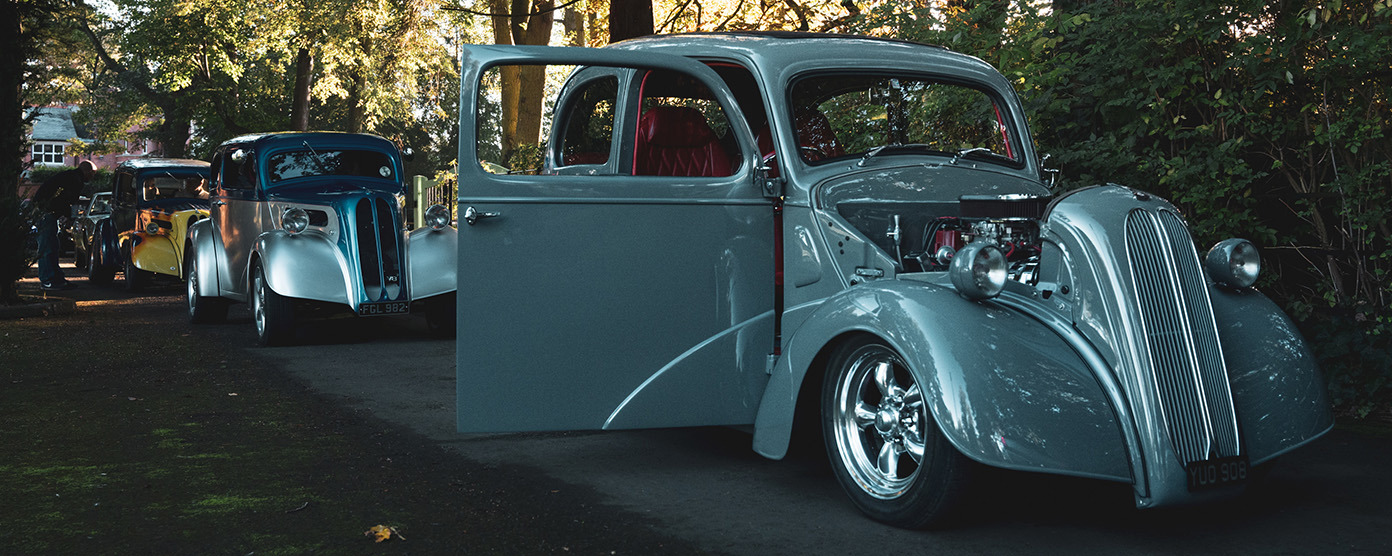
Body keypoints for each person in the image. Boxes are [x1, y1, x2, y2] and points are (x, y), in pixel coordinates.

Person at [31, 160, 96, 290]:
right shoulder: (75, 180)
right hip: (46, 212)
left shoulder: (69, 176)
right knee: (47, 247)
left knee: (52, 246)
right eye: (93, 173)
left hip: (44, 211)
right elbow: (66, 199)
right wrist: (67, 216)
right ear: (88, 171)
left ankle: (55, 278)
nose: (93, 177)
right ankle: (48, 280)